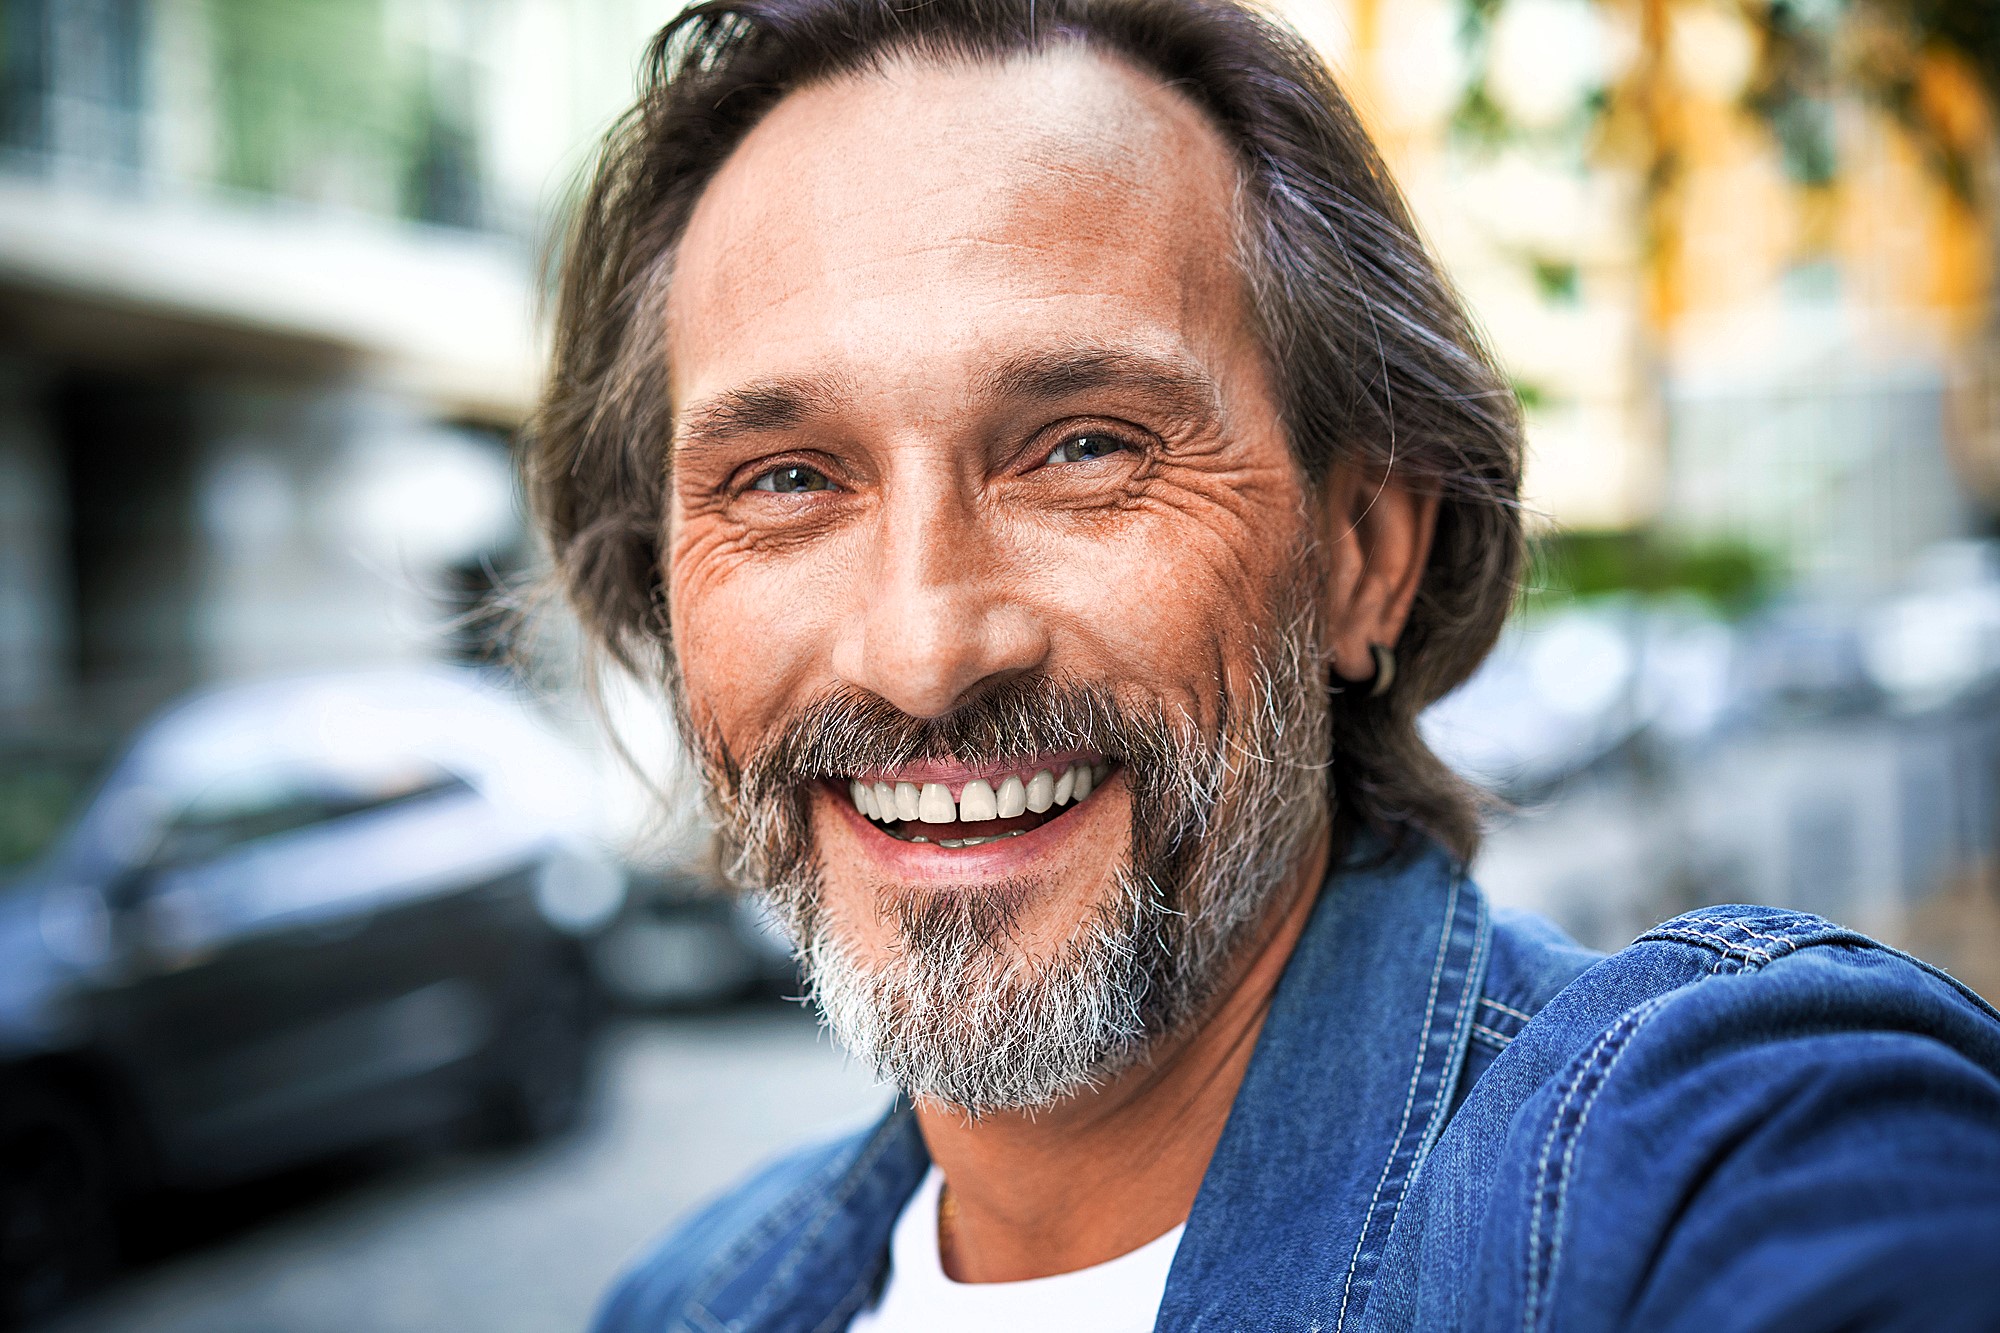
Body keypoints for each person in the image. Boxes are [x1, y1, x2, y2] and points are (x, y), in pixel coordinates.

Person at [527, 0, 2000, 1326]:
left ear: (1364, 554)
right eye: (786, 479)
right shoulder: (687, 1299)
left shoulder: (1703, 1153)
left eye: (1087, 447)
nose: (921, 651)